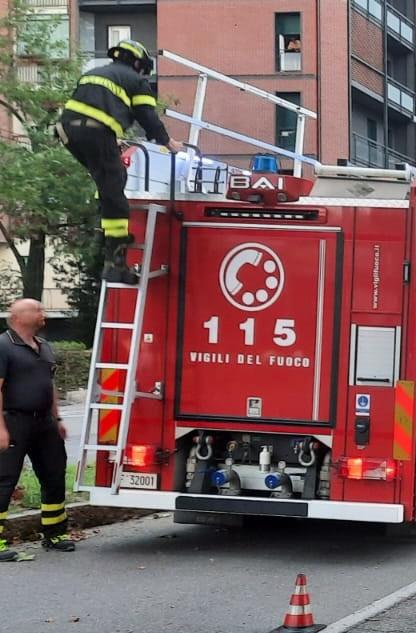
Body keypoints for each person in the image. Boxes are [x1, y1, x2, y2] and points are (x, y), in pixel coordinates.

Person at [56, 39, 183, 284]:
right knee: (115, 193)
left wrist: (110, 140)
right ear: (137, 63)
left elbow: (87, 110)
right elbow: (147, 116)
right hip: (95, 132)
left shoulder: (94, 73)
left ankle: (104, 227)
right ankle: (115, 263)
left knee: (110, 183)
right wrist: (168, 142)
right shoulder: (136, 81)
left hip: (68, 132)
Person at [0, 299, 74, 561]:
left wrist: (58, 418)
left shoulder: (45, 347)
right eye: (38, 309)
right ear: (18, 316)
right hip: (14, 421)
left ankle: (55, 533)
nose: (43, 314)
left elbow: (49, 385)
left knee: (54, 475)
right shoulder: (4, 345)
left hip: (45, 423)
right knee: (4, 480)